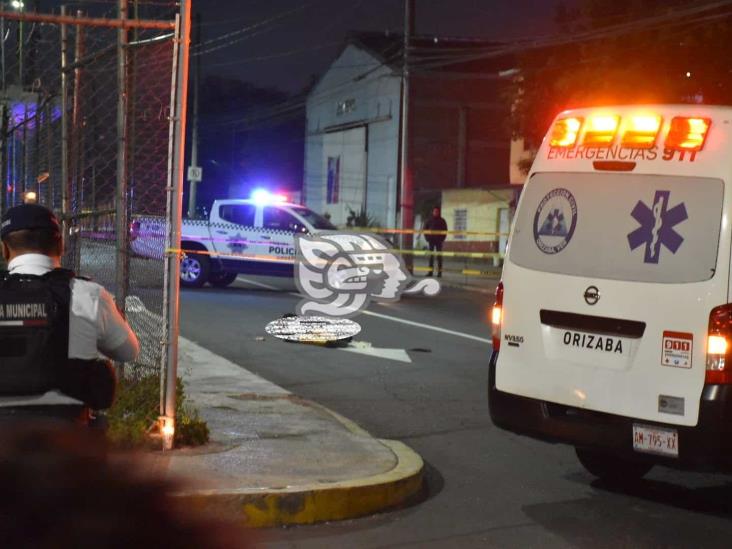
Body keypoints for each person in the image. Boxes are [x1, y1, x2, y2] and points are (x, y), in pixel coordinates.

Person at [0, 204, 140, 422]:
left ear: (4, 249)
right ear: (61, 245)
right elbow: (128, 352)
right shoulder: (87, 294)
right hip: (69, 436)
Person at [423, 206, 447, 277]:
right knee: (431, 257)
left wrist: (442, 239)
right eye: (434, 211)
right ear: (433, 212)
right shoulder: (429, 220)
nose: (436, 213)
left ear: (439, 212)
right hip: (431, 241)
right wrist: (427, 238)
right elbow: (425, 229)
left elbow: (445, 230)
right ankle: (430, 272)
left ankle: (439, 273)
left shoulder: (442, 220)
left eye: (437, 211)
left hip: (439, 241)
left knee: (439, 257)